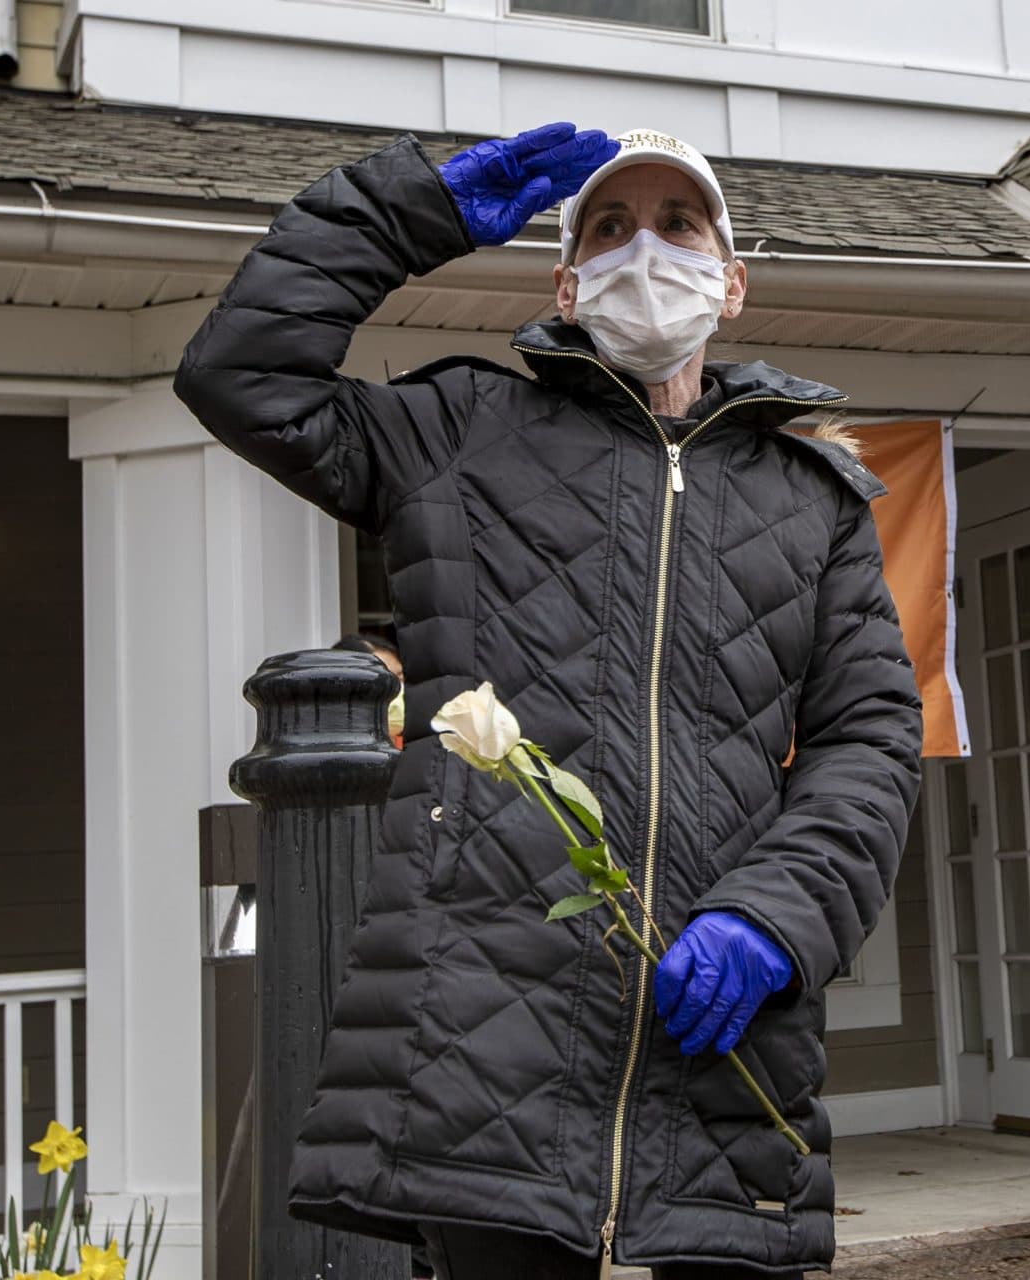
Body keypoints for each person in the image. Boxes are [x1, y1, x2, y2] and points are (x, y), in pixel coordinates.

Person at [175, 123, 923, 1279]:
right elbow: (242, 378)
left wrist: (775, 915)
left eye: (680, 226)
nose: (647, 251)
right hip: (484, 1020)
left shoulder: (813, 497)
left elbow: (868, 738)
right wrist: (396, 217)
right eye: (610, 228)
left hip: (719, 1025)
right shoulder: (464, 431)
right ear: (565, 285)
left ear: (730, 283)